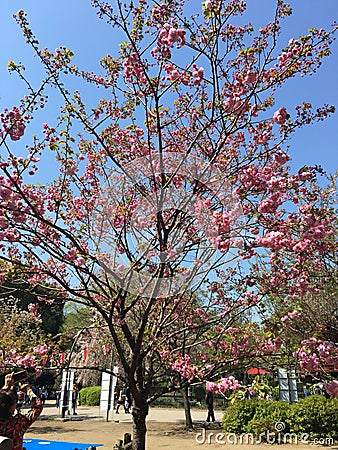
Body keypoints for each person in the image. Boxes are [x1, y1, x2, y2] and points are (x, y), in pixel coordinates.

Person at [0, 372, 43, 450]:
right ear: (11, 408)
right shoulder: (18, 422)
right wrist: (29, 391)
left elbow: (2, 399)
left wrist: (6, 387)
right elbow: (37, 407)